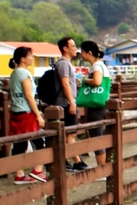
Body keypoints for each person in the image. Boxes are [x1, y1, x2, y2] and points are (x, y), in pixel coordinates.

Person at [8, 46, 48, 184]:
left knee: (20, 144)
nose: (32, 58)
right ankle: (37, 170)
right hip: (26, 112)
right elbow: (29, 96)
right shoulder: (23, 73)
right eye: (30, 56)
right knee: (40, 141)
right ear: (22, 59)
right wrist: (38, 115)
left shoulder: (14, 73)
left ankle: (19, 174)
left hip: (16, 111)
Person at [54, 36, 88, 172]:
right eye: (73, 46)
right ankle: (76, 161)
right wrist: (71, 102)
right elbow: (65, 83)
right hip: (65, 103)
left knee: (69, 133)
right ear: (65, 48)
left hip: (67, 102)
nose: (75, 49)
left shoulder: (67, 63)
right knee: (71, 133)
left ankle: (66, 159)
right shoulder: (63, 63)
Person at [78, 40, 109, 169]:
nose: (81, 55)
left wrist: (85, 80)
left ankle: (102, 169)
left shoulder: (96, 66)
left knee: (97, 137)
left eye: (82, 52)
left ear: (89, 52)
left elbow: (97, 81)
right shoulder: (101, 65)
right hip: (102, 104)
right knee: (101, 136)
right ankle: (105, 168)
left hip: (96, 106)